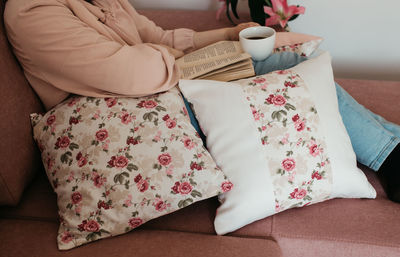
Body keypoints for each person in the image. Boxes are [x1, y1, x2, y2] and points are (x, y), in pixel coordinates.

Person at [4, 0, 399, 202]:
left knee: (281, 59)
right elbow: (137, 73)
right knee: (277, 65)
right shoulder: (33, 12)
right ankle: (394, 159)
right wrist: (219, 58)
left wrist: (230, 37)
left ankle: (393, 148)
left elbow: (155, 36)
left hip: (151, 91)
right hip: (123, 123)